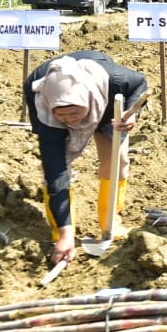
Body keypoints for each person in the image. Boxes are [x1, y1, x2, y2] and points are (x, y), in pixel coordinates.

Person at [26, 51, 148, 265]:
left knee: (117, 161)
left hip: (107, 107)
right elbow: (56, 171)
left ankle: (110, 223)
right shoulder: (41, 96)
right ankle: (62, 232)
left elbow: (140, 85)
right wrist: (65, 234)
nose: (69, 120)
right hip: (56, 103)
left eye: (74, 114)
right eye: (61, 115)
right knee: (54, 170)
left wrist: (132, 114)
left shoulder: (115, 81)